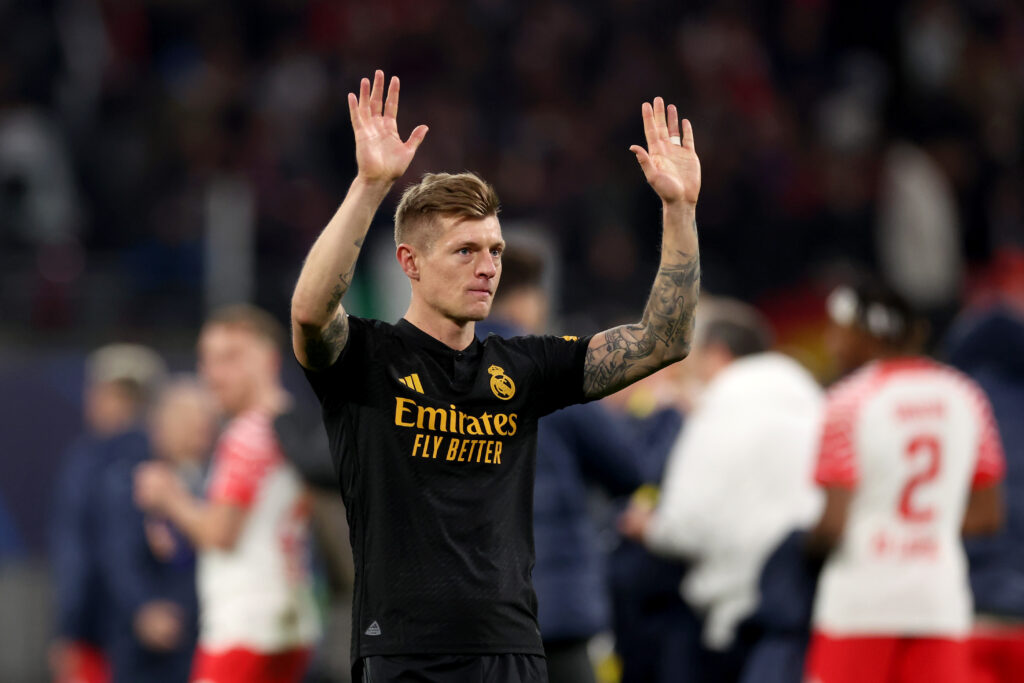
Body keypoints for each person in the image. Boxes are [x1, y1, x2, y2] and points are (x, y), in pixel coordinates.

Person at [289, 70, 702, 681]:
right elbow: (310, 311)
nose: (488, 268)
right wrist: (370, 185)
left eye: (495, 252)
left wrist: (679, 209)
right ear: (411, 263)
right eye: (465, 251)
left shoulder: (523, 364)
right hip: (403, 653)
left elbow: (663, 341)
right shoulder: (368, 359)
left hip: (512, 648)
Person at [804, 281, 1006, 683]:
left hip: (860, 604)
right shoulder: (966, 396)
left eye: (837, 330)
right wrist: (925, 528)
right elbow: (988, 516)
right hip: (938, 602)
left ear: (865, 333)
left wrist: (803, 552)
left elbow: (832, 525)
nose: (830, 343)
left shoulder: (847, 402)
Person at [618, 298, 825, 683]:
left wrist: (649, 527)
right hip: (808, 603)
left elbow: (687, 525)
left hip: (737, 618)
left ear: (716, 354)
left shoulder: (722, 406)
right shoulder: (811, 400)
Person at [476, 242, 647, 683]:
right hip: (550, 602)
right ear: (529, 299)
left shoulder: (430, 366)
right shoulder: (549, 362)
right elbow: (626, 468)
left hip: (461, 610)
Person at [135, 306, 320, 683]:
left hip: (245, 627)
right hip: (291, 618)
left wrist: (169, 497)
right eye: (208, 359)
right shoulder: (290, 421)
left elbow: (221, 533)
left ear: (268, 360)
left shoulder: (247, 435)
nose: (214, 374)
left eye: (230, 358)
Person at [50, 343, 167, 683]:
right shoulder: (164, 455)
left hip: (105, 635)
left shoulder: (86, 461)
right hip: (162, 630)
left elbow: (78, 556)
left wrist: (69, 632)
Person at [95, 377, 214, 682]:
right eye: (188, 420)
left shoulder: (220, 482)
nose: (199, 429)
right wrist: (143, 607)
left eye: (205, 420)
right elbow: (117, 555)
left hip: (206, 636)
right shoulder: (132, 480)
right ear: (161, 426)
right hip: (144, 647)